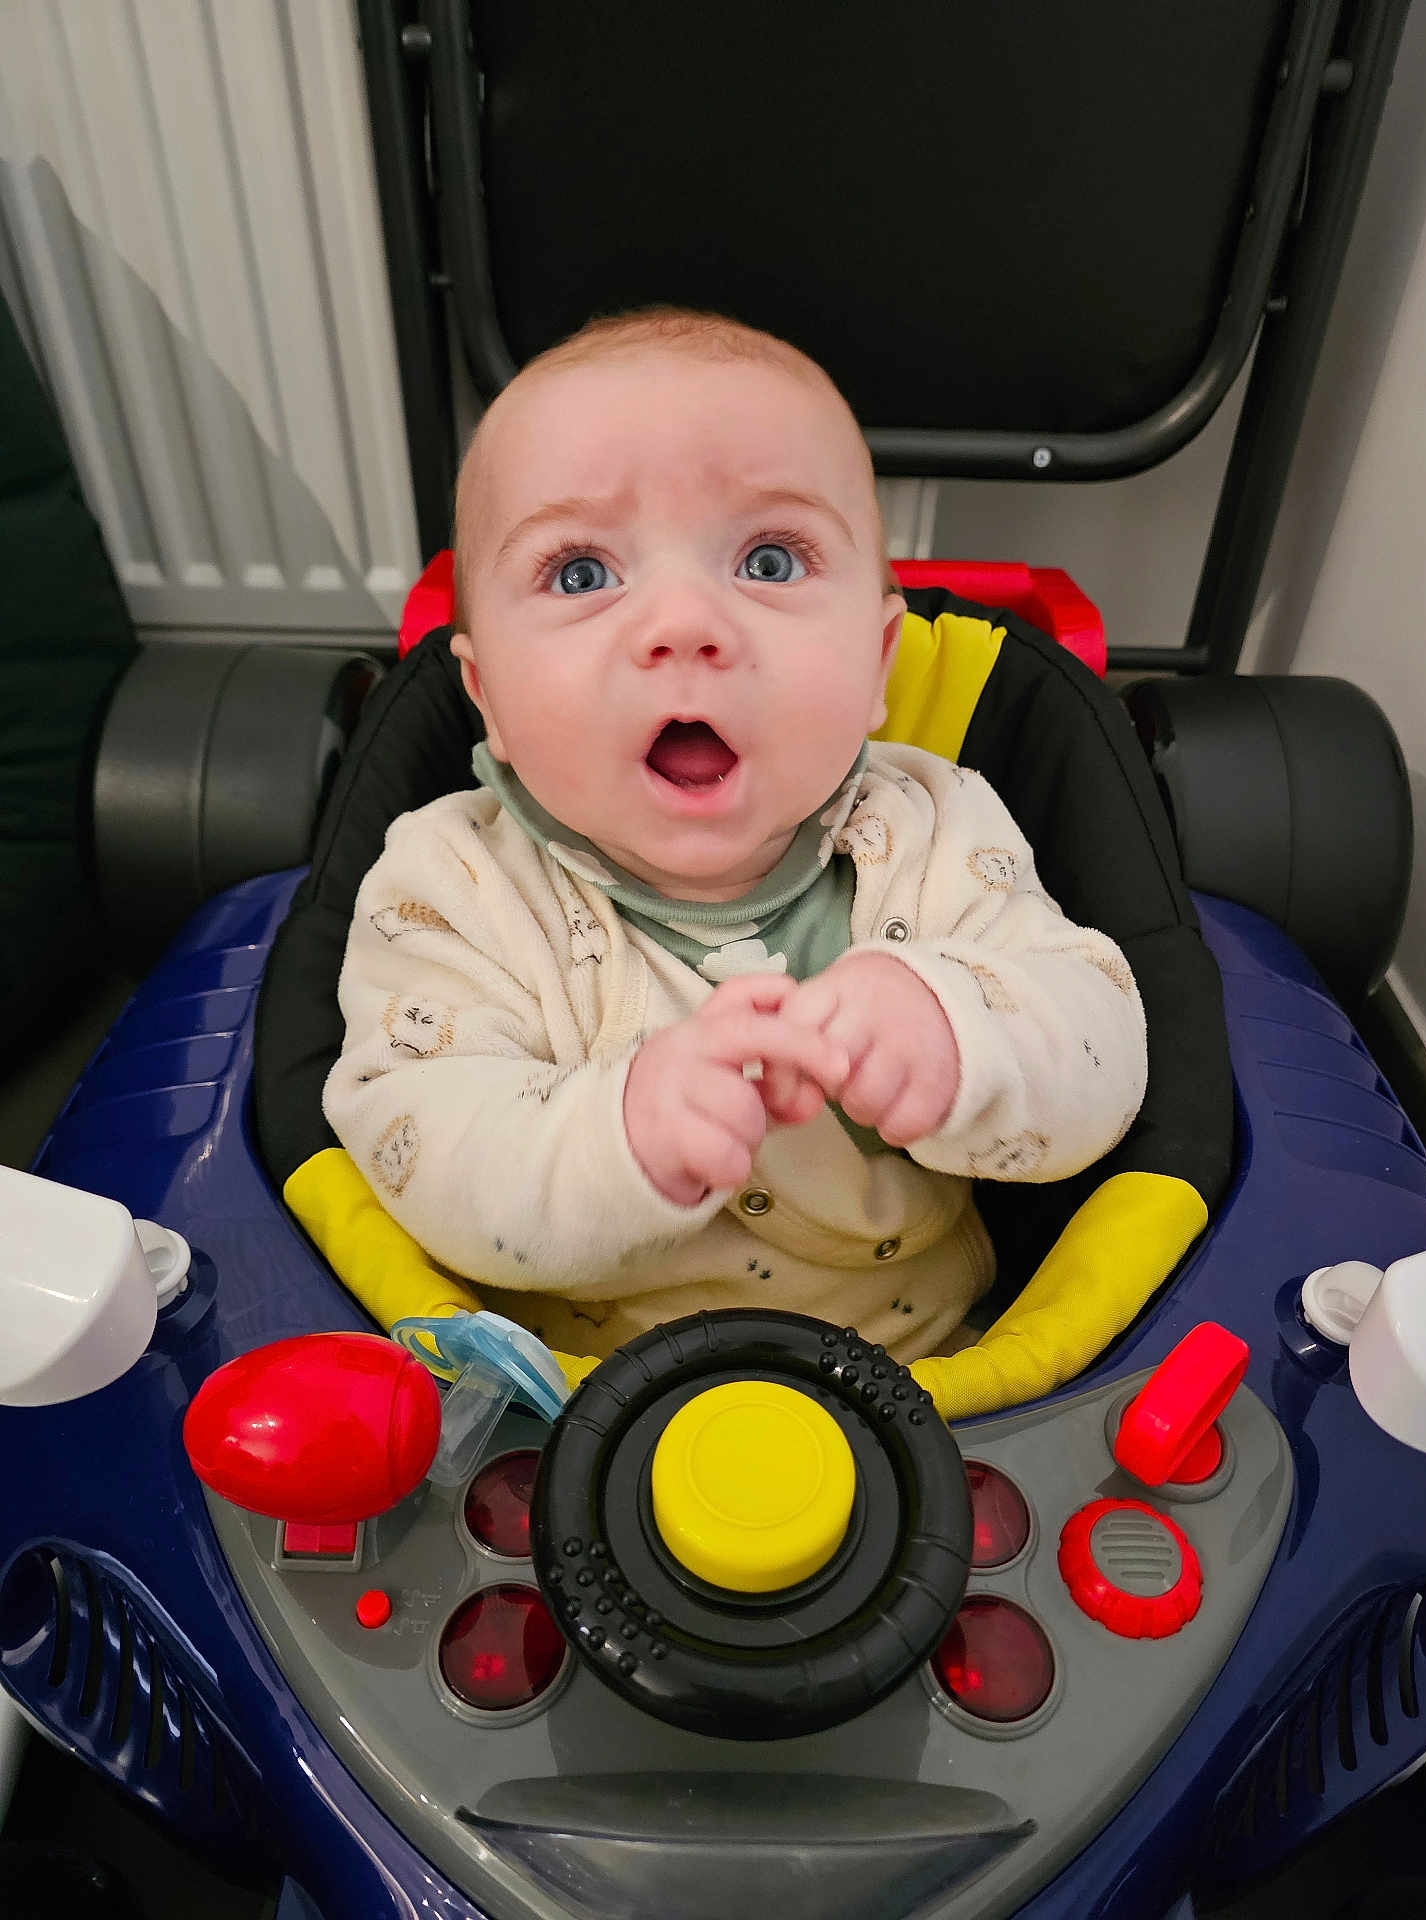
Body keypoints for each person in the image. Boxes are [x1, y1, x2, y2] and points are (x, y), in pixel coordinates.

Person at [322, 307, 1147, 1367]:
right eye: (581, 573)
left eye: (768, 557)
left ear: (879, 664)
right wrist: (616, 1133)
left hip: (934, 1383)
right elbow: (412, 1144)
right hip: (576, 1403)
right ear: (487, 699)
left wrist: (960, 1027)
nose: (684, 624)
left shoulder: (936, 825)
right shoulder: (453, 881)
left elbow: (1106, 1045)